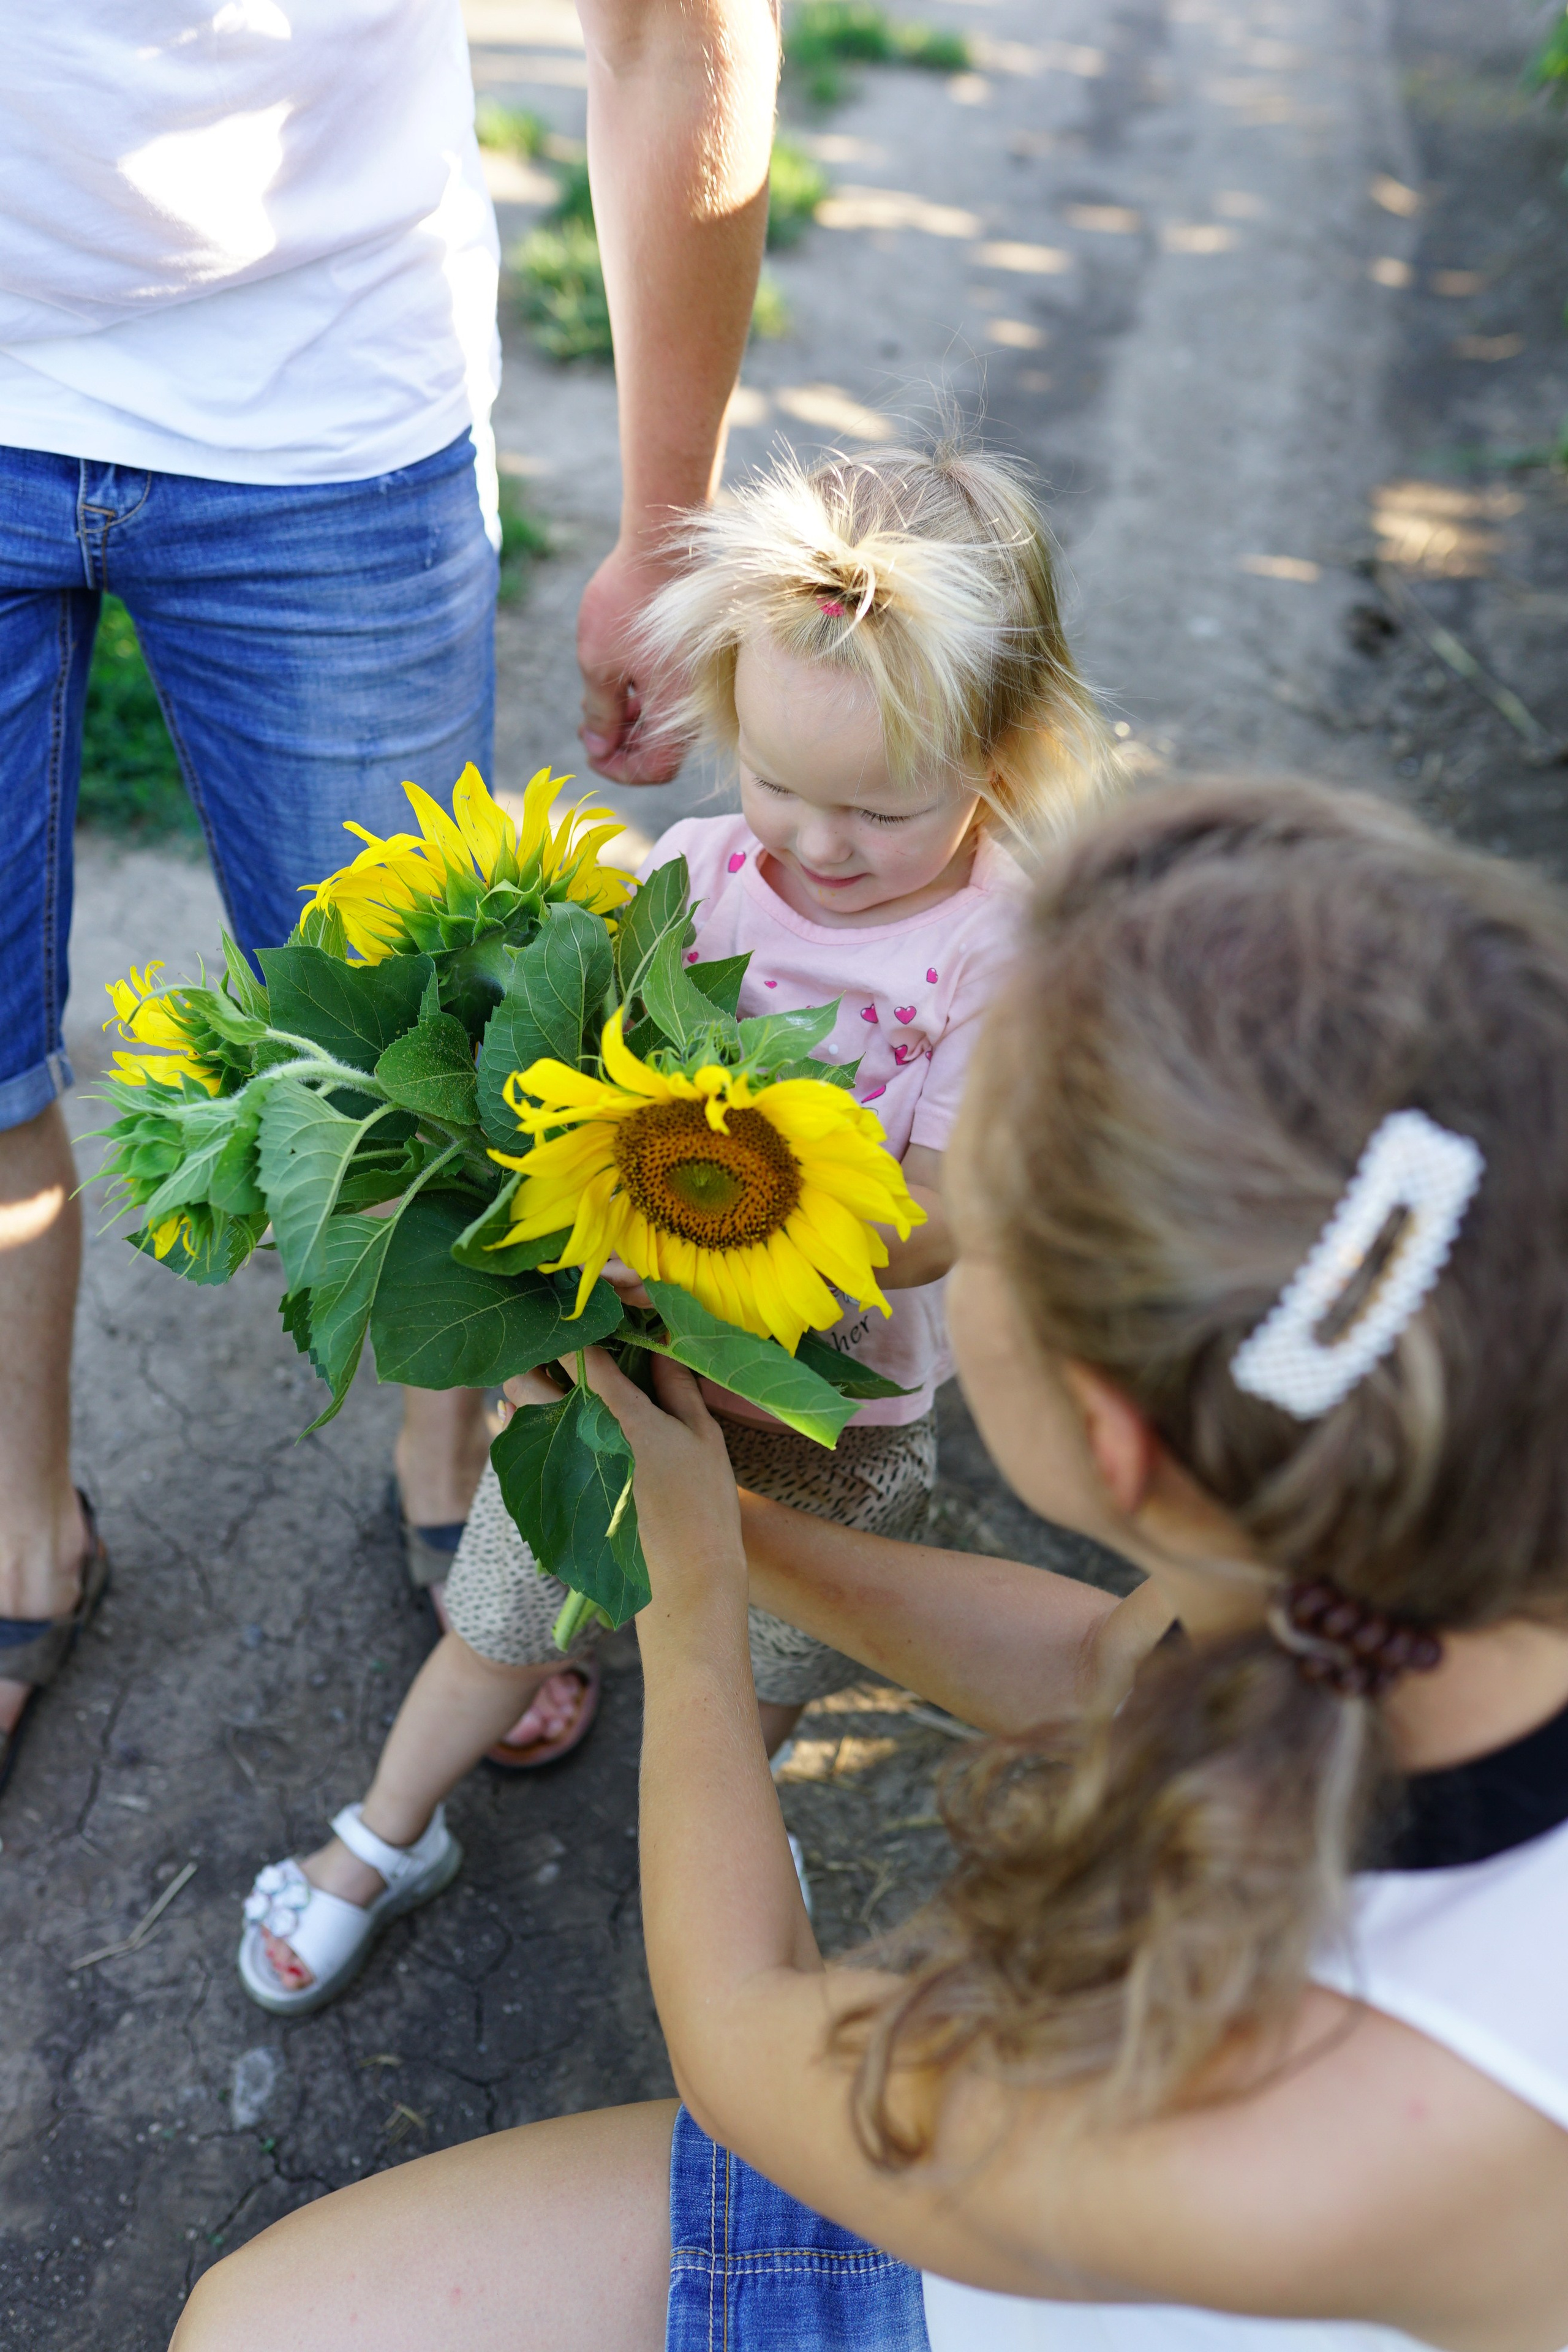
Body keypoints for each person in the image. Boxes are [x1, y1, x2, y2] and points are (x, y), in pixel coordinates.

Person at [178, 780, 1568, 2350]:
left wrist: (692, 1620)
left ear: (1109, 1441)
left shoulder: (1358, 2111)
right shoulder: (1433, 1506)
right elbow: (1113, 1668)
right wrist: (737, 1523)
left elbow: (749, 2040)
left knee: (252, 2327)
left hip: (983, 2253)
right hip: (1079, 2220)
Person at [0, 0, 781, 1789]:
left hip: (323, 405)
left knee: (433, 1064)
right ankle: (18, 1536)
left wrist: (669, 524)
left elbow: (673, 30)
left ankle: (448, 1474)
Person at [233, 439, 1112, 2011]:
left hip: (827, 1407)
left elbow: (934, 1227)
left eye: (880, 808)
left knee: (756, 1673)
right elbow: (561, 1078)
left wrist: (757, 1184)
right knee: (501, 1616)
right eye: (775, 780)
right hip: (621, 1378)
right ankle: (387, 1829)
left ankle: (730, 1882)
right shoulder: (694, 882)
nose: (818, 844)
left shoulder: (1003, 951)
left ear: (1002, 749)